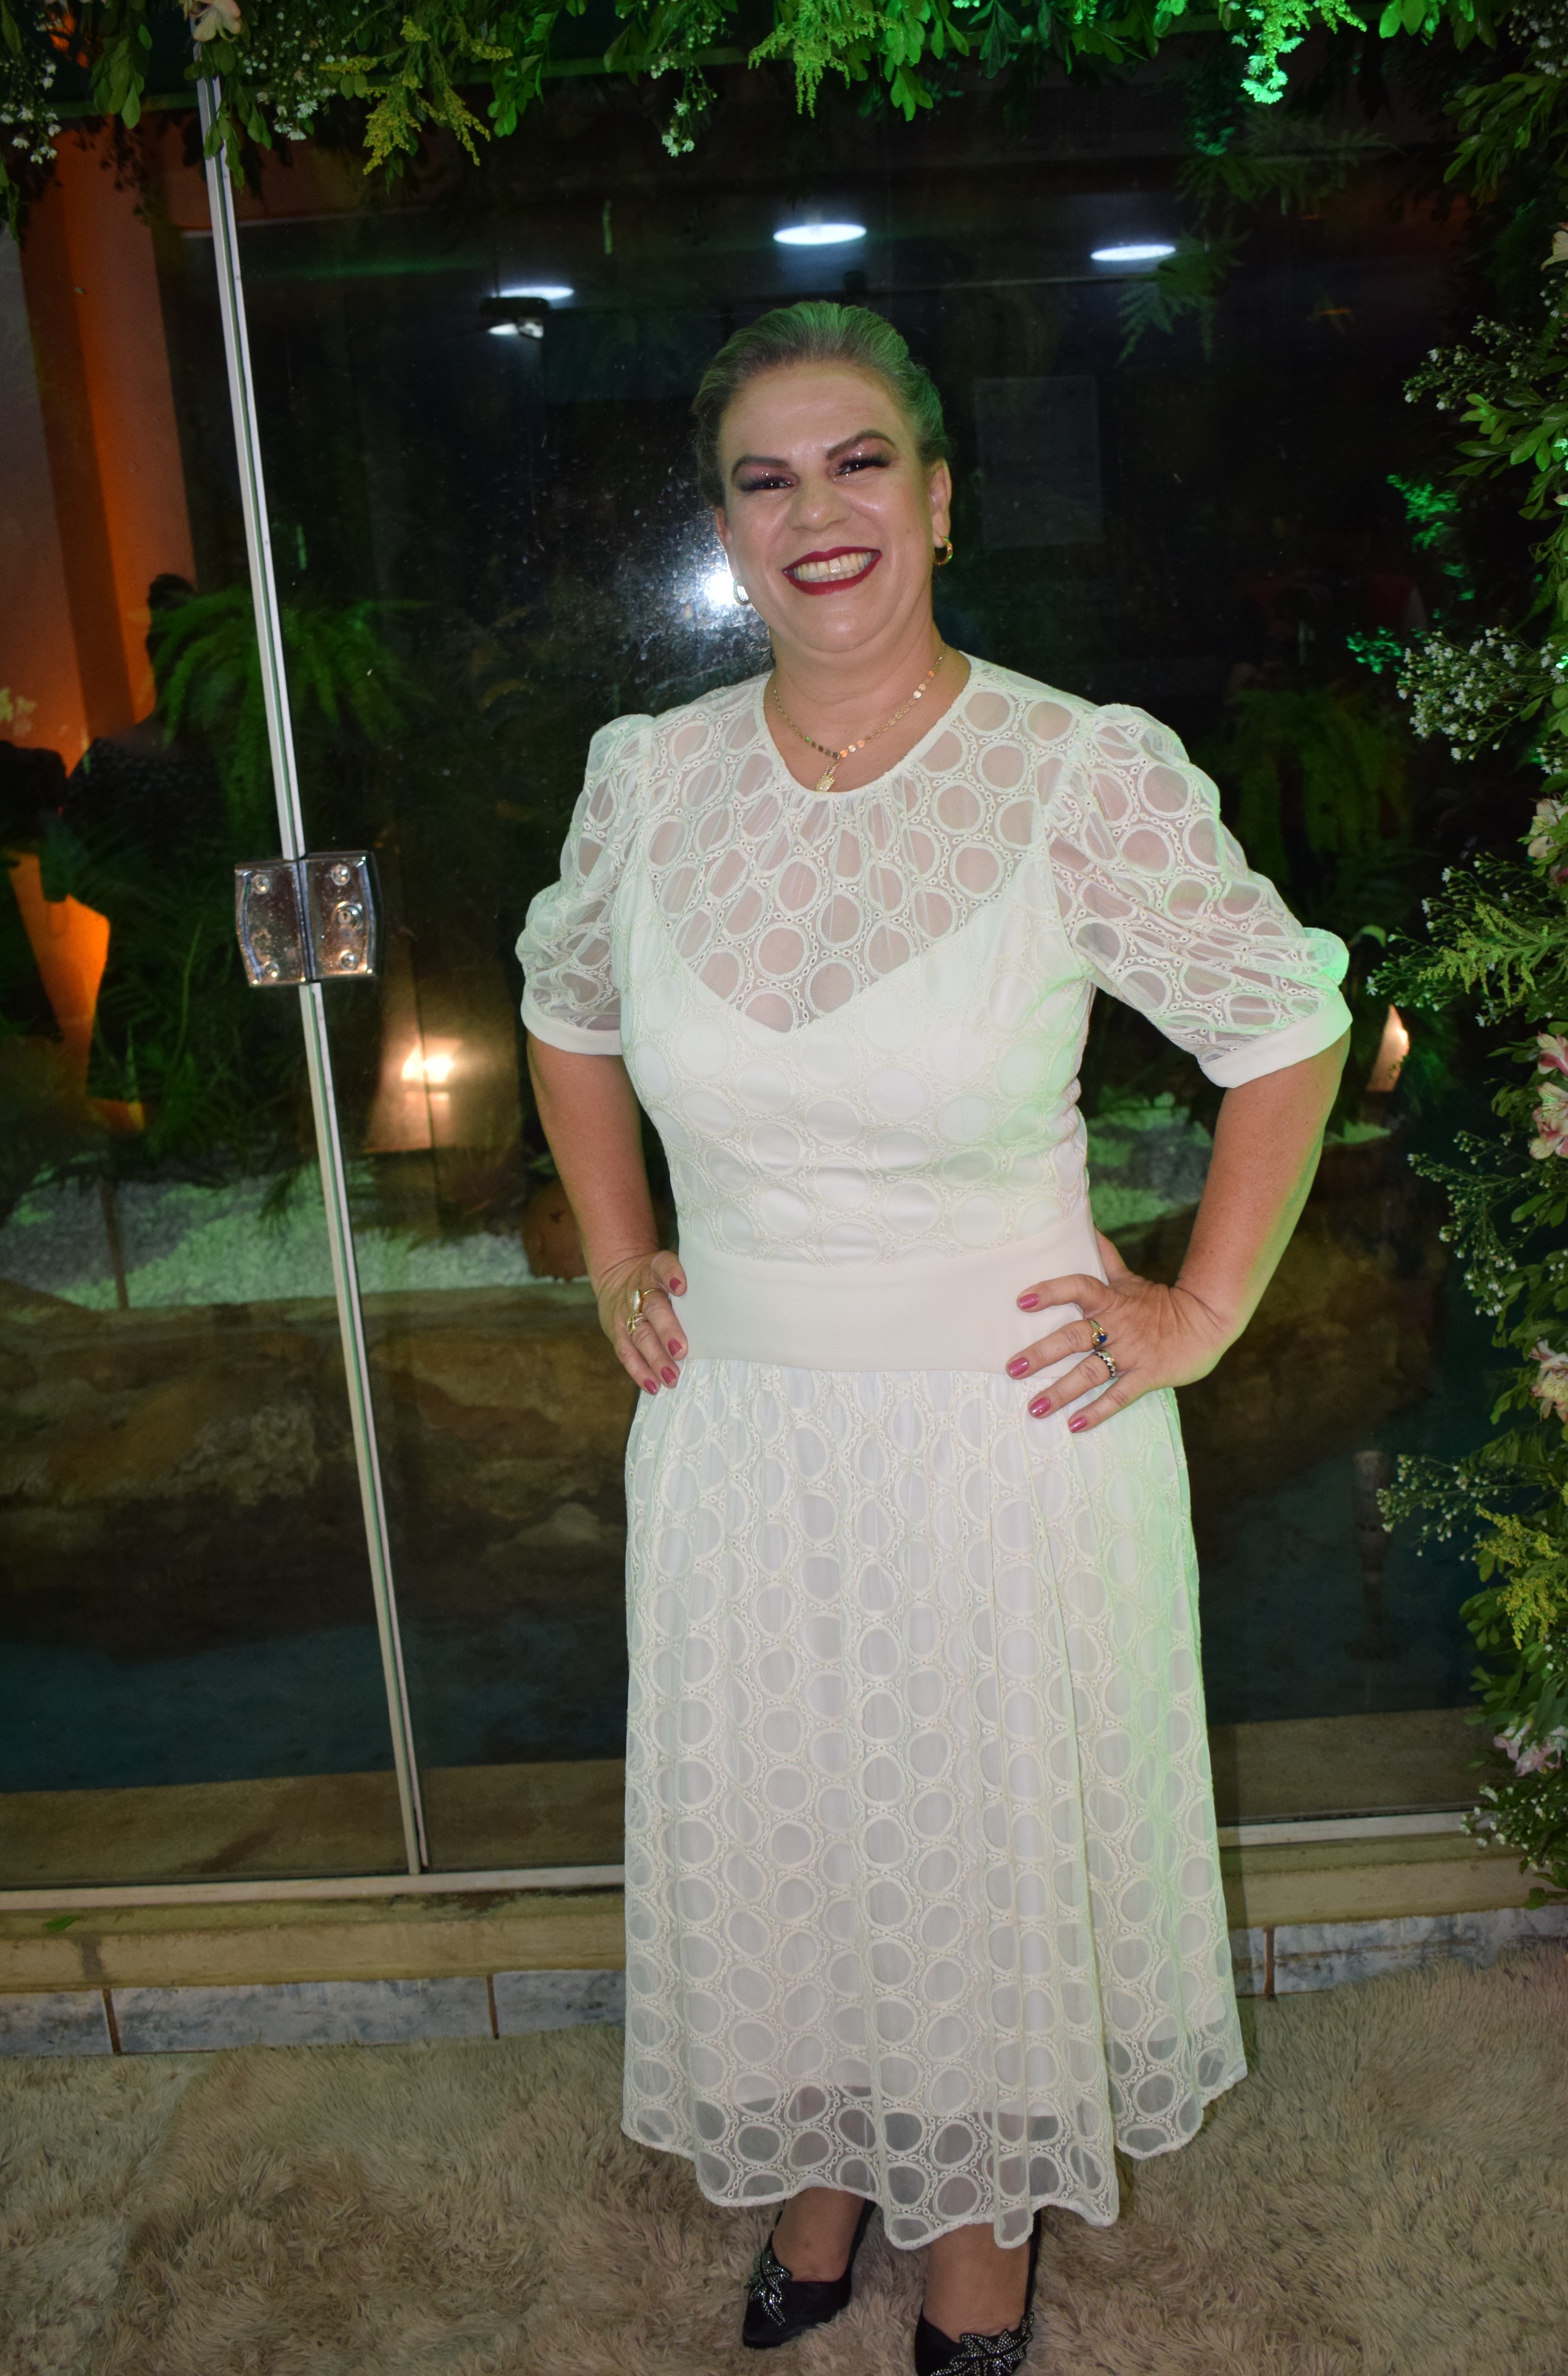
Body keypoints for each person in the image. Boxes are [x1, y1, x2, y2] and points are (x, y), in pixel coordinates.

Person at [517, 302, 1350, 2376]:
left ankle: (976, 2221)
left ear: (943, 498)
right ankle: (823, 2162)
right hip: (741, 1432)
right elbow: (567, 1014)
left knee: (973, 1842)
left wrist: (1203, 1310)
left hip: (1004, 1436)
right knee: (788, 1822)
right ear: (726, 529)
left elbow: (1286, 1027)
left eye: (860, 461)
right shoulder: (648, 778)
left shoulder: (1076, 771)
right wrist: (619, 1256)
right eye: (767, 478)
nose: (818, 511)